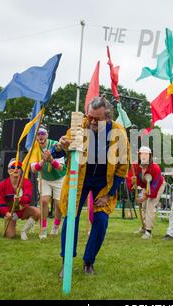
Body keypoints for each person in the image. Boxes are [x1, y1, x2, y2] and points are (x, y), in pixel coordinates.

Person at [58, 95, 129, 276]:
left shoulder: (119, 132)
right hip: (80, 178)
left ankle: (89, 262)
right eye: (89, 116)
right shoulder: (79, 126)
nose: (91, 121)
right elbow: (63, 146)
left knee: (101, 221)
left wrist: (109, 194)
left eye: (96, 119)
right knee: (70, 217)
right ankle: (66, 262)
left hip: (103, 183)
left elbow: (122, 168)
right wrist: (62, 145)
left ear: (108, 117)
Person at [30, 126, 66, 239]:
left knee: (59, 205)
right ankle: (43, 228)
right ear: (36, 137)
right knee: (44, 201)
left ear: (47, 135)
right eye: (38, 134)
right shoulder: (33, 148)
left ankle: (55, 226)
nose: (40, 136)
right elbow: (33, 169)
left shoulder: (55, 146)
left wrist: (51, 160)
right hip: (44, 178)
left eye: (43, 133)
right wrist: (43, 161)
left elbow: (60, 168)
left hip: (59, 178)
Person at [127, 146, 166, 239]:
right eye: (142, 154)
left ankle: (148, 231)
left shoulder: (155, 168)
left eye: (146, 154)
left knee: (150, 206)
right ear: (139, 155)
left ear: (150, 156)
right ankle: (144, 226)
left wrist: (144, 197)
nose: (144, 156)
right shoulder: (135, 166)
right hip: (146, 187)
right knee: (144, 207)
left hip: (158, 186)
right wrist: (132, 185)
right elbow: (129, 179)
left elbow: (154, 186)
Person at [0, 159, 41, 240]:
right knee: (10, 236)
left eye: (18, 167)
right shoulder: (2, 185)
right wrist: (6, 213)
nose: (16, 169)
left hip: (23, 210)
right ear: (9, 170)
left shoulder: (26, 182)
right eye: (13, 167)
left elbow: (28, 198)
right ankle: (9, 222)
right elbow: (1, 203)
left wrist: (19, 200)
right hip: (10, 213)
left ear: (21, 171)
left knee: (37, 212)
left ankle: (24, 231)